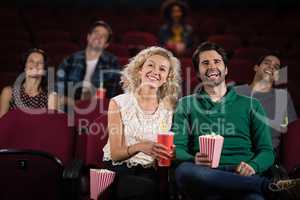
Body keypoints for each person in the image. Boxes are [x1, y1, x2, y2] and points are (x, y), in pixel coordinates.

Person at [172, 42, 299, 200]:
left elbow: (266, 151)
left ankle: (257, 186)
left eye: (217, 62)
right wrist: (193, 159)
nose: (211, 66)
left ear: (226, 70)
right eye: (205, 63)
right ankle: (268, 187)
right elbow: (178, 149)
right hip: (204, 174)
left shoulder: (251, 104)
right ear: (198, 72)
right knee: (184, 171)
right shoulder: (186, 104)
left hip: (243, 172)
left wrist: (253, 166)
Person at [102, 46, 182, 200]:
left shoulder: (168, 109)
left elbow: (164, 150)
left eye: (162, 69)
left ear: (167, 78)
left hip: (149, 172)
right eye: (150, 65)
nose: (156, 71)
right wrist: (141, 146)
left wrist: (170, 153)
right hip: (118, 169)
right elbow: (116, 154)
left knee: (151, 188)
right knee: (146, 189)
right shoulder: (118, 103)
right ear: (140, 70)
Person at [235, 51, 298, 159]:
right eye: (267, 63)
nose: (271, 67)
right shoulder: (236, 92)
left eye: (276, 67)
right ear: (256, 68)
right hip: (235, 151)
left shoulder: (282, 97)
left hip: (264, 156)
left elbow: (292, 130)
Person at [56, 20, 121, 105]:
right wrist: (75, 103)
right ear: (88, 37)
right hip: (69, 109)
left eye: (103, 36)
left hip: (97, 111)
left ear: (106, 44)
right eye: (96, 33)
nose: (98, 37)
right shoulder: (70, 60)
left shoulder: (112, 63)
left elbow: (112, 97)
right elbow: (57, 92)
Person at [0, 48, 57, 118]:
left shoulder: (51, 97)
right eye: (31, 61)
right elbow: (2, 123)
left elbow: (52, 125)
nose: (35, 65)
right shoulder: (8, 92)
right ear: (25, 66)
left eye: (40, 63)